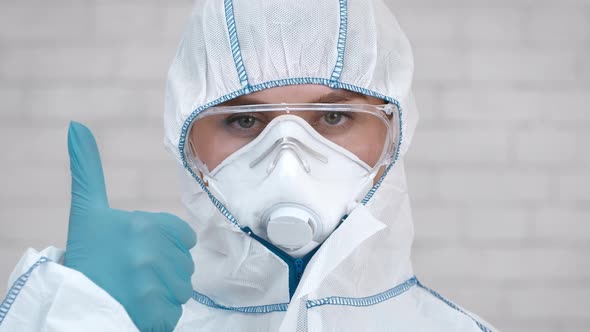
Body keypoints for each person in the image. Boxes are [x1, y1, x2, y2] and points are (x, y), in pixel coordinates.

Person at [0, 0, 498, 331]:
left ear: (395, 133)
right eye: (242, 120)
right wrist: (73, 317)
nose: (287, 160)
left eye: (332, 116)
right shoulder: (110, 321)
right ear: (186, 142)